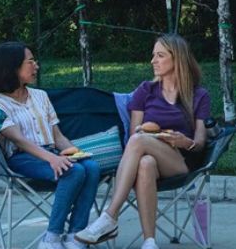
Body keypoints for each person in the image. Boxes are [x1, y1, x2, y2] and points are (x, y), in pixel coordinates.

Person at [76, 34, 211, 249]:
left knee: (139, 141)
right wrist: (148, 134)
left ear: (177, 58)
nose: (153, 61)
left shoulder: (198, 95)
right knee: (145, 163)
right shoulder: (146, 90)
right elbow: (134, 133)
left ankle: (110, 216)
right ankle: (149, 242)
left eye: (160, 56)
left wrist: (184, 142)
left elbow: (200, 141)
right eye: (153, 55)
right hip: (149, 159)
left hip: (180, 162)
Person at [0, 41, 101, 249]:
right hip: (21, 158)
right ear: (13, 67)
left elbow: (58, 136)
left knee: (91, 167)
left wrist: (76, 152)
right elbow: (19, 140)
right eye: (30, 62)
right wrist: (53, 159)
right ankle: (51, 238)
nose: (36, 66)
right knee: (72, 172)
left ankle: (76, 236)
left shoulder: (40, 96)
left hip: (50, 152)